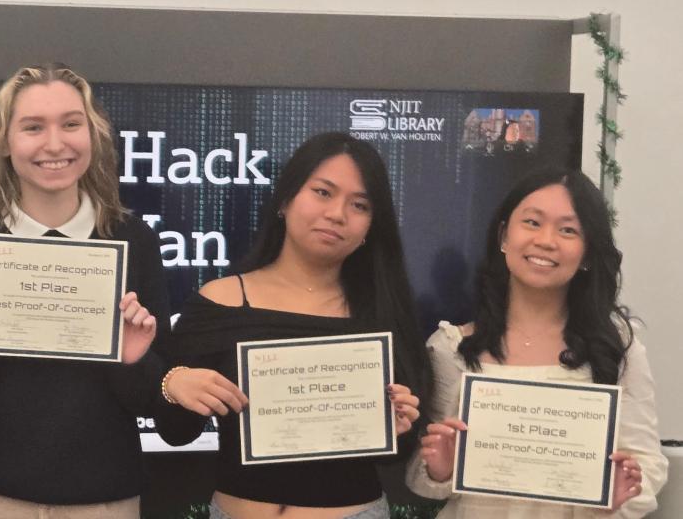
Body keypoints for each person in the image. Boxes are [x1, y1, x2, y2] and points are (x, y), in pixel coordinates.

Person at [0, 63, 169, 518]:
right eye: (33, 127)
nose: (55, 144)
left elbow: (160, 400)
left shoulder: (134, 242)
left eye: (71, 124)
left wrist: (131, 360)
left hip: (105, 501)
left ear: (92, 135)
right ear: (4, 142)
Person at [155, 132, 430, 519]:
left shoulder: (382, 312)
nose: (337, 213)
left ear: (371, 224)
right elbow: (175, 431)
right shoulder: (220, 301)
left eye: (360, 205)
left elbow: (397, 451)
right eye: (322, 192)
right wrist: (173, 384)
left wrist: (399, 425)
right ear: (286, 199)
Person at [406, 168, 668, 517]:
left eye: (568, 230)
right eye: (532, 222)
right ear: (503, 235)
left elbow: (647, 461)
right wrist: (442, 468)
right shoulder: (450, 348)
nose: (546, 240)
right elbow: (424, 476)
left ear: (588, 252)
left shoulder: (618, 347)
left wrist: (619, 495)